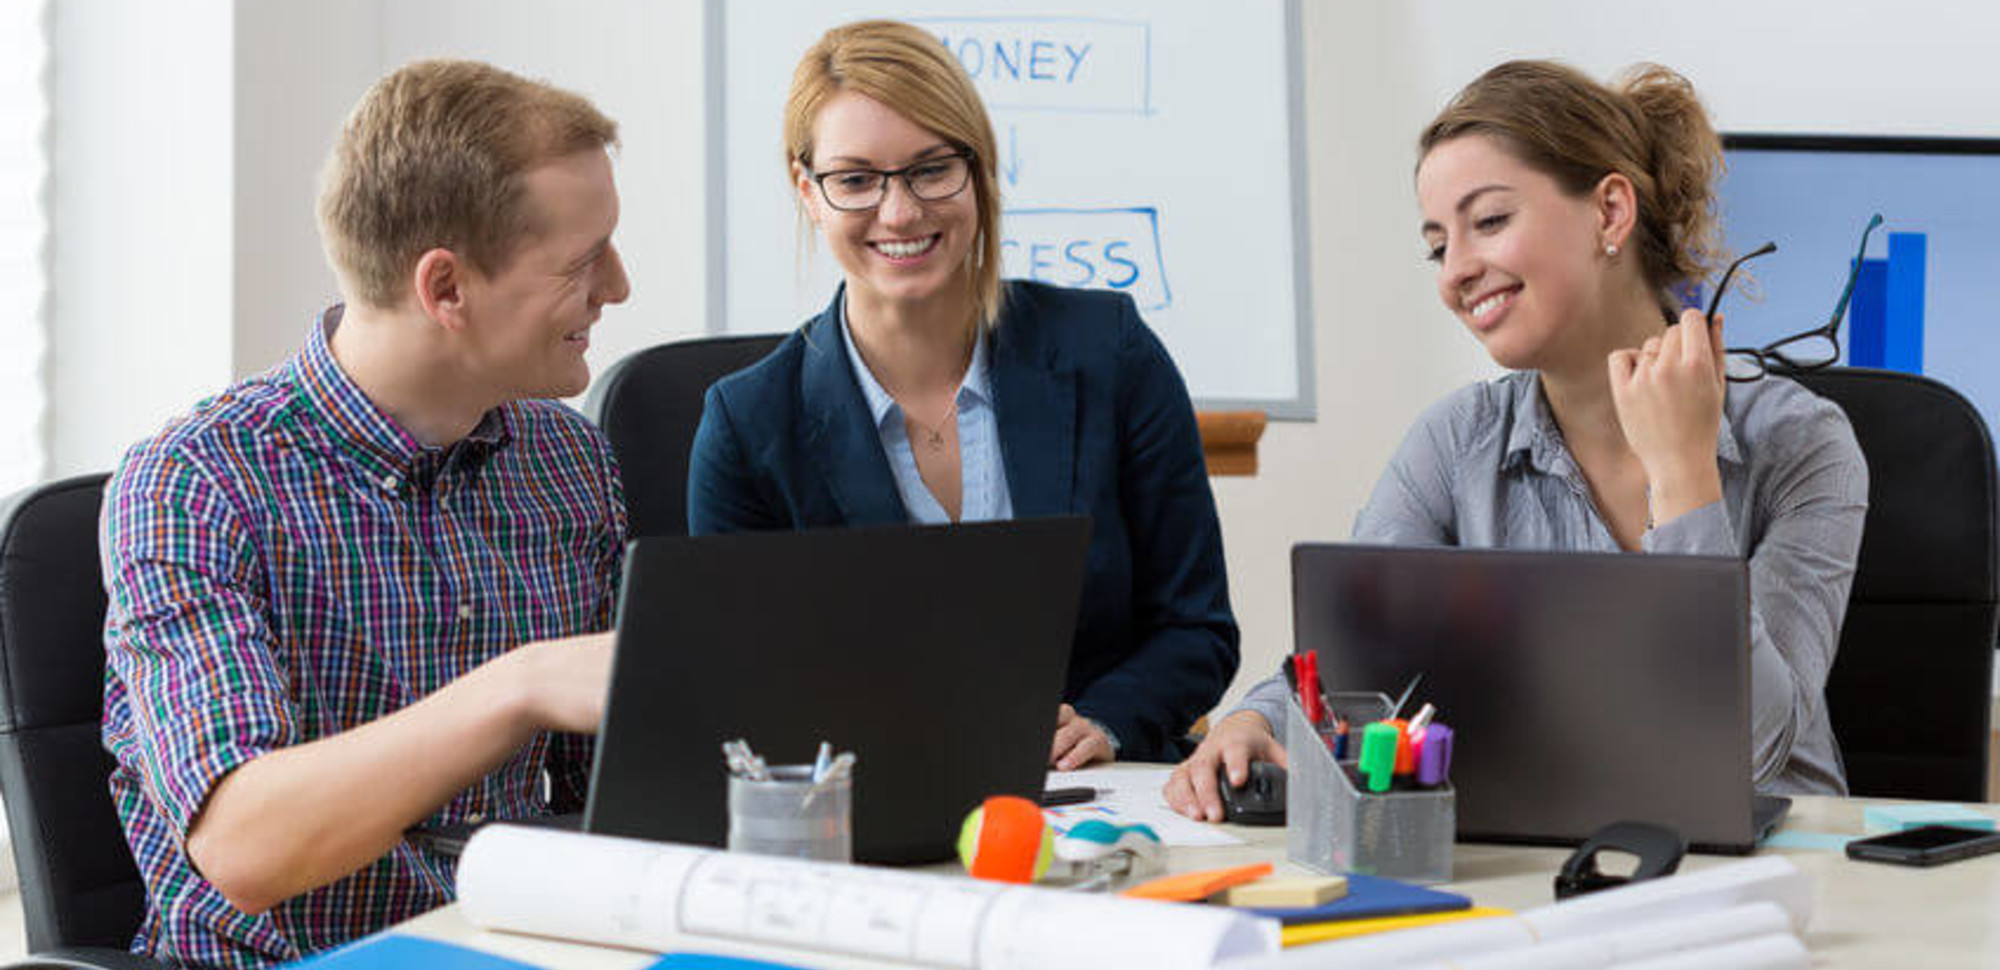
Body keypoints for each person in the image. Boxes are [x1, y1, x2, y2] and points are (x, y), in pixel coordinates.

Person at [1166, 60, 1867, 820]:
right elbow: (1344, 664)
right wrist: (1252, 720)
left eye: (1490, 221)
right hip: (1540, 851)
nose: (1457, 272)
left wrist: (1684, 474)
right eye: (1438, 246)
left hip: (1780, 868)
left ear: (1609, 212)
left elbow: (1751, 750)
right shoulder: (1453, 443)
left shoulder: (1802, 444)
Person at [100, 60, 632, 968]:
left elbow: (619, 796)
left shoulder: (566, 460)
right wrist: (518, 685)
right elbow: (245, 846)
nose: (616, 286)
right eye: (584, 261)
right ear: (447, 289)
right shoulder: (192, 484)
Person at [687, 20, 1238, 767]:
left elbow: (1196, 627)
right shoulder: (748, 424)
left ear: (978, 171)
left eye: (930, 168)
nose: (901, 211)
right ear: (807, 192)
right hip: (871, 807)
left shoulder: (1110, 351)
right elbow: (745, 682)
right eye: (855, 179)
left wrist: (1108, 722)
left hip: (1097, 801)